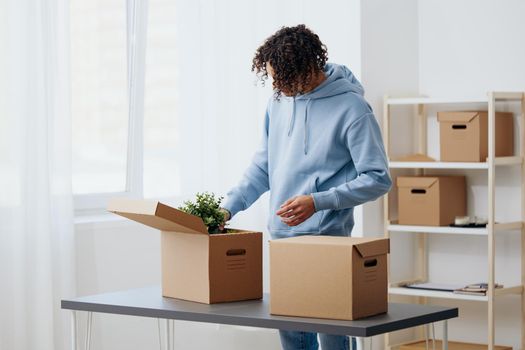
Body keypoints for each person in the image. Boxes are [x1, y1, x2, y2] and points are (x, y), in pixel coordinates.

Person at [220, 24, 392, 350]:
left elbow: (378, 178)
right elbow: (263, 167)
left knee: (333, 336)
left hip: (327, 242)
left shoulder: (353, 110)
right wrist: (229, 206)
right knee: (293, 338)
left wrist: (318, 201)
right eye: (271, 79)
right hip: (283, 241)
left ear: (306, 68)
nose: (276, 86)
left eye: (281, 78)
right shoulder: (279, 102)